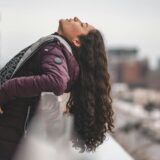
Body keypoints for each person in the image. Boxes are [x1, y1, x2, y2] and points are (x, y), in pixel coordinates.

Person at [0, 17, 114, 159]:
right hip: (13, 134)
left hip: (7, 131)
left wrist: (5, 91)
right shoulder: (60, 51)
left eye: (82, 24)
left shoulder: (56, 49)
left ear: (77, 41)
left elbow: (57, 81)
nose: (76, 18)